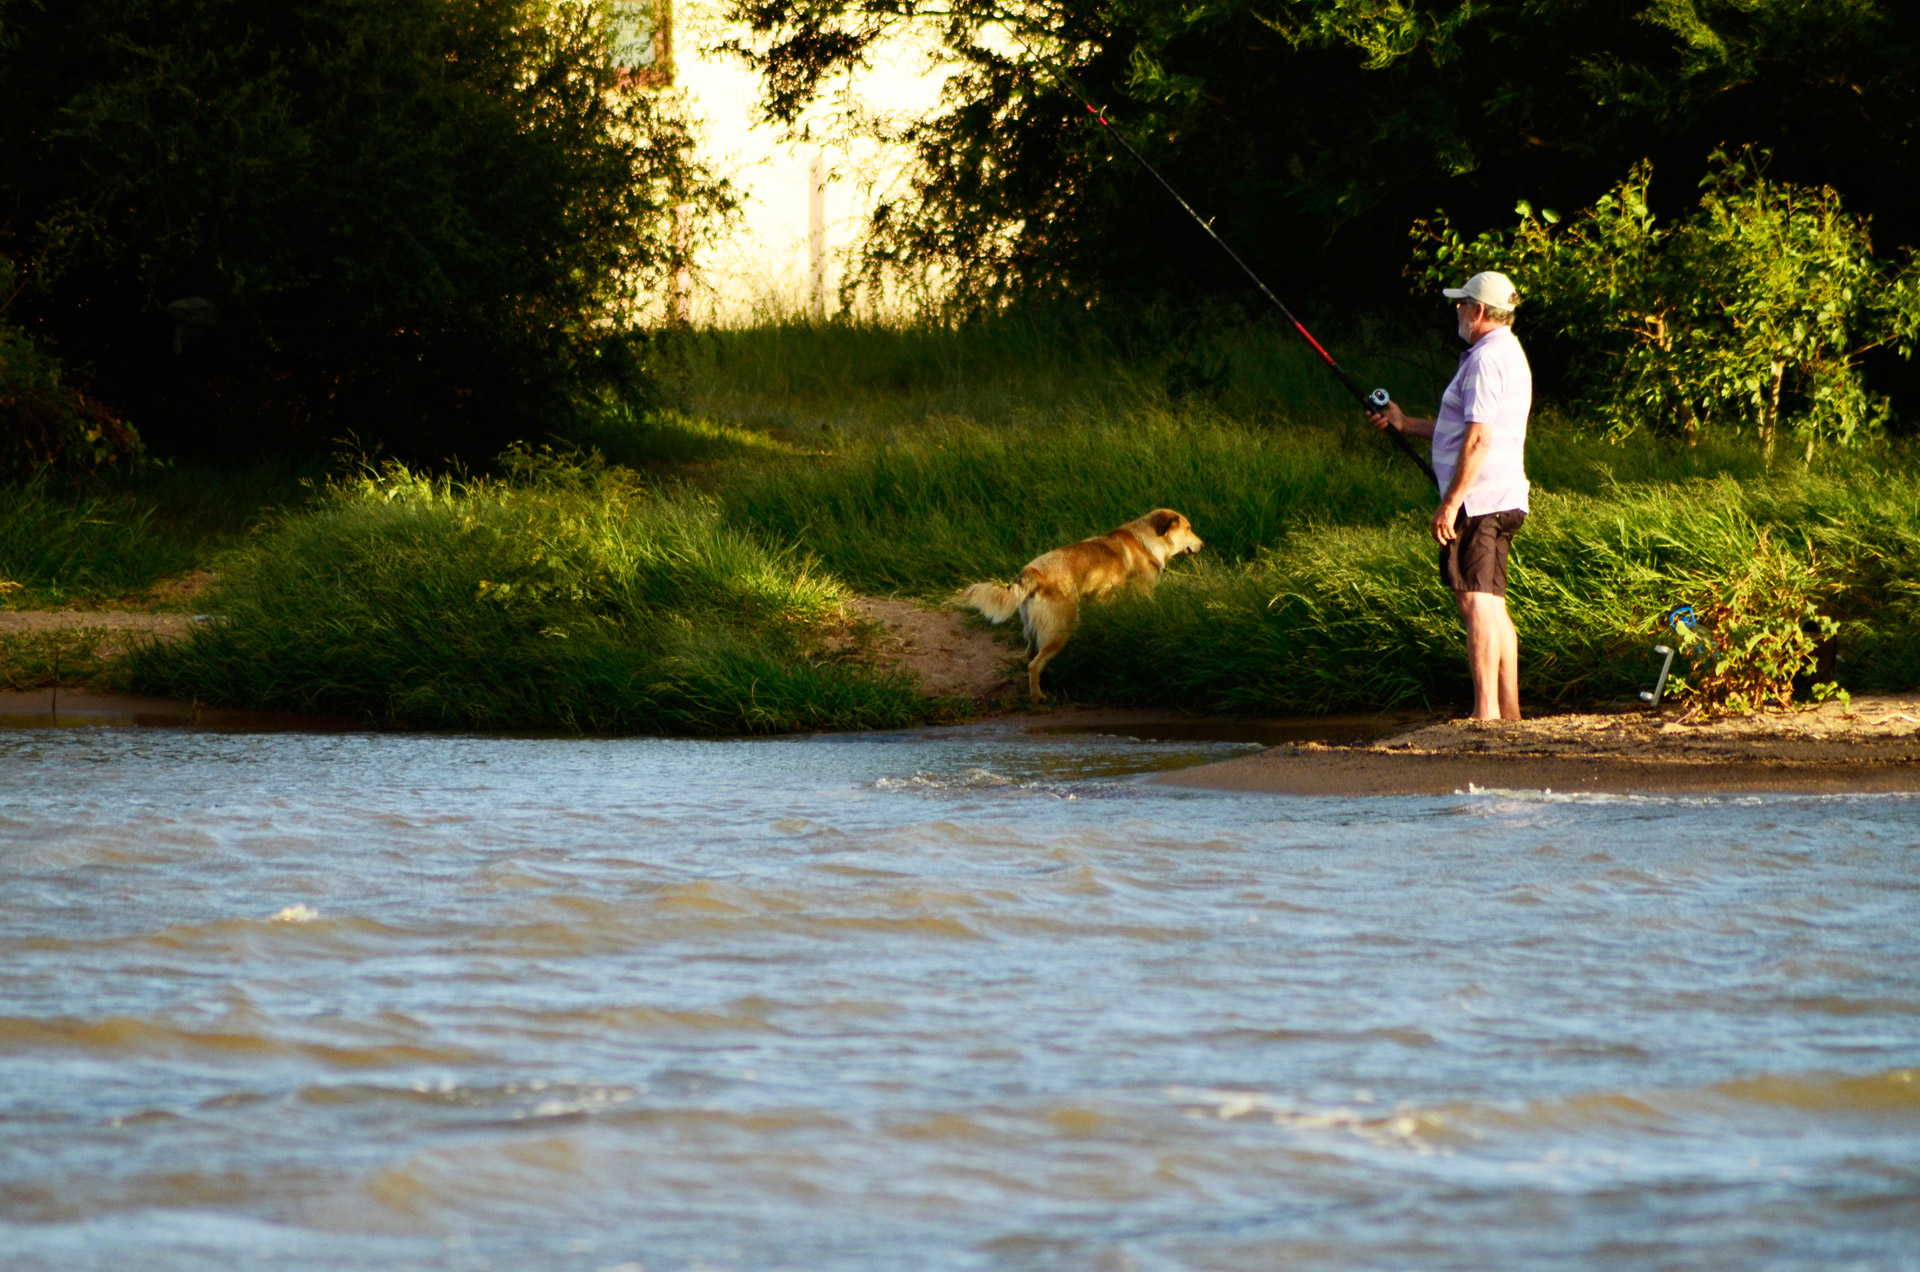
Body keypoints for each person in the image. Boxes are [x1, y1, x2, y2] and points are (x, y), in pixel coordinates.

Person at [1368, 271, 1532, 721]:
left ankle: (1486, 714)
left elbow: (1478, 439)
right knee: (1492, 601)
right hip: (1505, 496)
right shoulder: (1506, 352)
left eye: (1462, 305)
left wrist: (1452, 501)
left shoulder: (1483, 361)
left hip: (1480, 501)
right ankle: (1509, 713)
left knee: (1475, 599)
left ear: (1478, 311)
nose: (1457, 311)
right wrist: (1405, 424)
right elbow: (1462, 430)